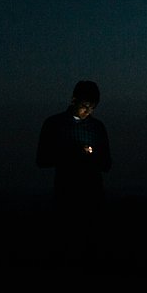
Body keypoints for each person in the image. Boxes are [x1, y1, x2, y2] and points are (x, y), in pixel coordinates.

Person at [36, 80, 112, 209]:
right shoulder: (54, 124)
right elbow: (42, 160)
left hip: (93, 195)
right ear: (73, 100)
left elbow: (107, 164)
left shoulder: (97, 127)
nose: (89, 111)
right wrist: (71, 153)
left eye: (93, 107)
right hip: (66, 195)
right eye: (85, 106)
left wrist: (92, 156)